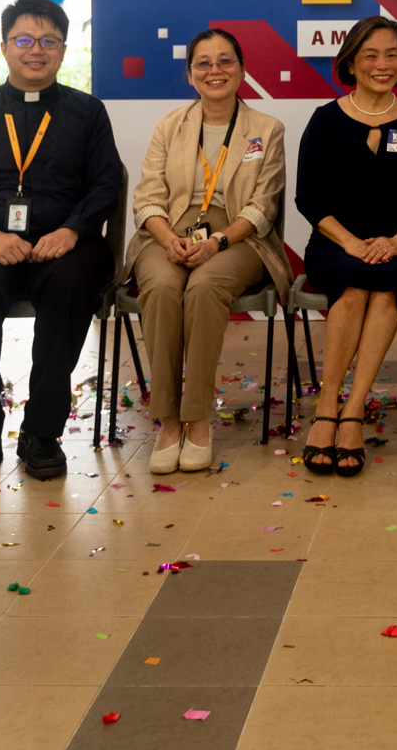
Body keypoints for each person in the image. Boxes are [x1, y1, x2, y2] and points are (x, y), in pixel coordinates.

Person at [0, 0, 124, 486]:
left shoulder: (87, 112)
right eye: (24, 40)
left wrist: (72, 229)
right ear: (4, 48)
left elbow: (106, 185)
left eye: (48, 41)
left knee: (69, 286)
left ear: (62, 49)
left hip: (66, 245)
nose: (35, 51)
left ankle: (42, 433)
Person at [123, 29, 290, 475]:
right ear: (190, 73)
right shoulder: (169, 125)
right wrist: (165, 238)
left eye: (225, 61)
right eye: (204, 63)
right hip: (169, 230)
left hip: (237, 236)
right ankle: (169, 419)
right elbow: (148, 196)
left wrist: (217, 241)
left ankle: (197, 417)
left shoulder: (267, 129)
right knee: (158, 286)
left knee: (204, 286)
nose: (215, 70)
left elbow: (263, 207)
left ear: (242, 68)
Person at [294, 16, 397, 478]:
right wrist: (352, 243)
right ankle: (326, 407)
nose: (383, 64)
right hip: (337, 242)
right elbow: (308, 197)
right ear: (351, 63)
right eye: (371, 55)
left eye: (392, 54)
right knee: (355, 285)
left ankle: (353, 410)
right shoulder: (325, 119)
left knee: (386, 285)